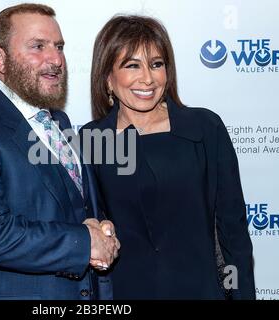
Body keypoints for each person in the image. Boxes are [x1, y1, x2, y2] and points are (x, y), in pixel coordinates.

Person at [0, 3, 119, 300]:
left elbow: (73, 208)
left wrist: (100, 229)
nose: (55, 59)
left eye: (58, 46)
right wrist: (84, 242)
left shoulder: (59, 121)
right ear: (0, 59)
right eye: (38, 46)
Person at [81, 14, 255, 299]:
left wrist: (241, 295)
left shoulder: (204, 128)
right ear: (108, 78)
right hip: (125, 293)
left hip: (200, 290)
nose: (147, 78)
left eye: (156, 64)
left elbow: (232, 230)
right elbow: (87, 221)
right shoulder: (93, 139)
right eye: (132, 65)